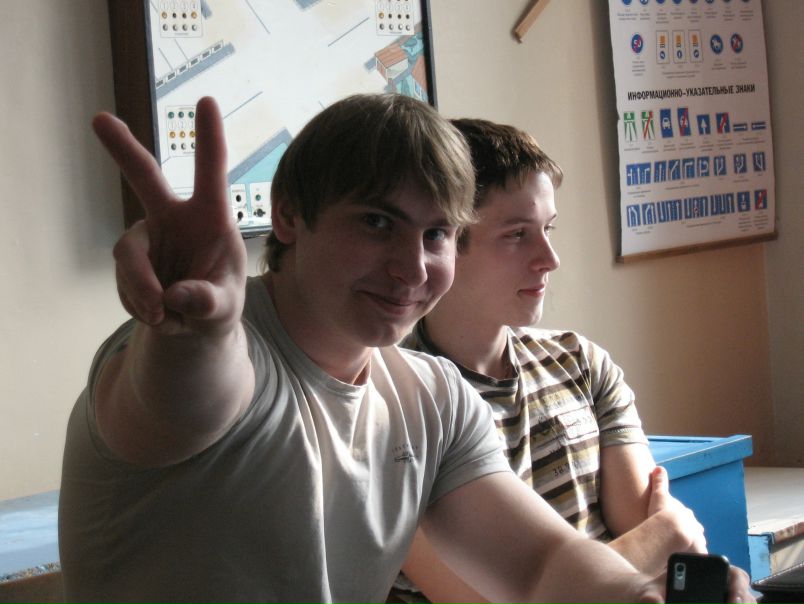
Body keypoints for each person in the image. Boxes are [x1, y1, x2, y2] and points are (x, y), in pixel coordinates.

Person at [59, 93, 664, 603]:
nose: (412, 268)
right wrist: (196, 336)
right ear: (288, 215)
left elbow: (541, 565)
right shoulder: (199, 352)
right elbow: (188, 401)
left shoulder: (434, 400)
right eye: (377, 222)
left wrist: (641, 596)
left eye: (436, 234)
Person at [395, 118, 754, 604]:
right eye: (517, 234)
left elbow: (669, 549)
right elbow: (667, 534)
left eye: (548, 229)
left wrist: (668, 547)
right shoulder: (399, 401)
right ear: (446, 240)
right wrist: (663, 534)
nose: (549, 258)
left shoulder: (580, 363)